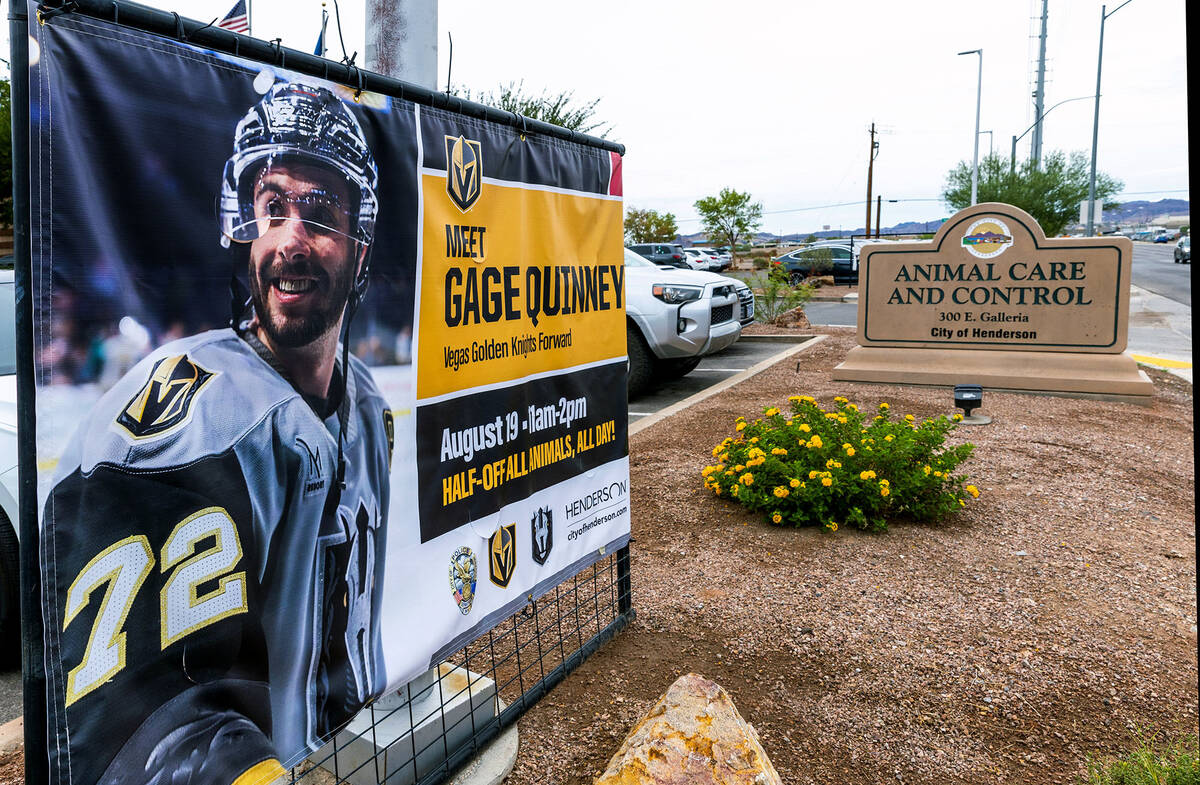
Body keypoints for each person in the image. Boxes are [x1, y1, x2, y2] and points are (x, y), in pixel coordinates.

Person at [40, 81, 394, 785]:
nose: (291, 237)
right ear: (244, 228)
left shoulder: (366, 402)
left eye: (320, 212)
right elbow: (140, 709)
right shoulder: (198, 410)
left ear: (359, 247)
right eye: (272, 207)